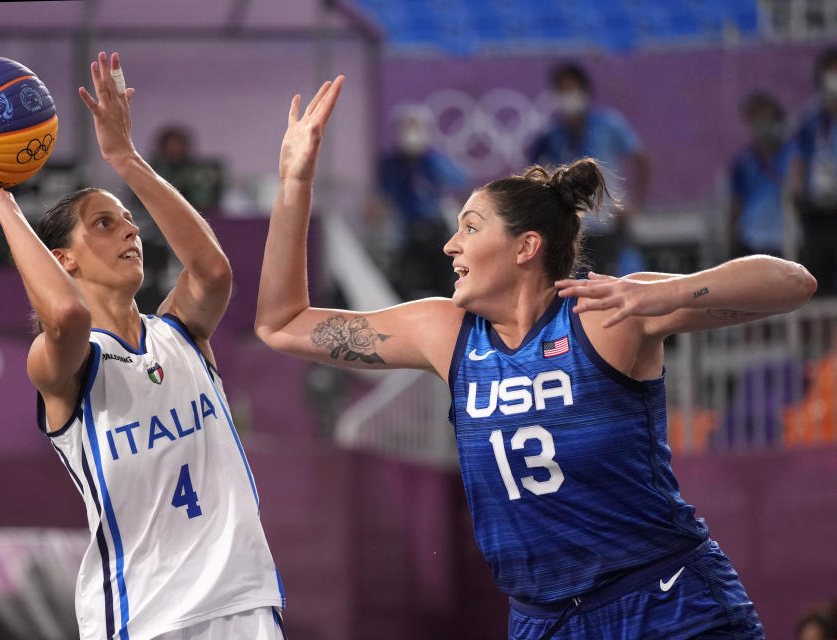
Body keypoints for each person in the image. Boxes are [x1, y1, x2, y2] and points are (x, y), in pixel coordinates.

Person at [256, 76, 817, 639]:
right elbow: (281, 325)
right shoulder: (444, 332)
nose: (451, 246)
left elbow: (793, 283)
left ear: (526, 247)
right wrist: (295, 183)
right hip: (542, 622)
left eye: (470, 228)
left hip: (665, 604)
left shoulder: (602, 314)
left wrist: (666, 292)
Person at [0, 51, 286, 640]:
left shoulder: (179, 334)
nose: (130, 230)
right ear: (61, 258)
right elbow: (65, 313)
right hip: (143, 618)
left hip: (243, 602)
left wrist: (126, 159)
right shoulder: (65, 364)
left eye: (127, 219)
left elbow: (214, 273)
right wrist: (1, 203)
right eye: (104, 222)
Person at [528, 62, 650, 276]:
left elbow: (642, 160)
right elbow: (532, 173)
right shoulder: (552, 135)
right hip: (574, 228)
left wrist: (636, 204)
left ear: (585, 91)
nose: (568, 96)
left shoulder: (608, 125)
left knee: (621, 280)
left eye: (572, 89)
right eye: (562, 90)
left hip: (609, 223)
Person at [378, 105, 469, 299]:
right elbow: (383, 197)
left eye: (416, 128)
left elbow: (460, 181)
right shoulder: (391, 164)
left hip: (437, 231)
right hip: (406, 233)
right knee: (403, 284)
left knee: (447, 282)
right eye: (407, 128)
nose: (411, 134)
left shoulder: (435, 160)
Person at [728, 91, 795, 258]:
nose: (763, 127)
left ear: (778, 120)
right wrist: (731, 241)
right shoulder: (744, 163)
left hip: (787, 244)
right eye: (757, 122)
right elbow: (736, 206)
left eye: (767, 120)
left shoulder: (793, 156)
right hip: (752, 245)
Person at [793, 46, 837, 294]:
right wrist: (798, 192)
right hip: (817, 212)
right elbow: (798, 159)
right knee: (817, 283)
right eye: (831, 73)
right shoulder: (810, 120)